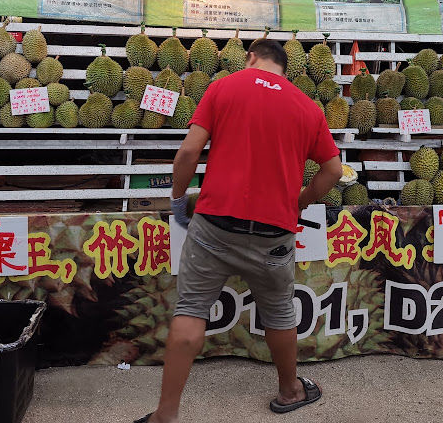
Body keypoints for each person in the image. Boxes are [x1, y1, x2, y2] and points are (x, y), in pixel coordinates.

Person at [135, 38, 342, 423]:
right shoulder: (307, 107)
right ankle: (289, 391)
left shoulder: (224, 86)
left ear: (251, 58)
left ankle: (165, 414)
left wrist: (178, 199)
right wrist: (300, 201)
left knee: (192, 309)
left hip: (213, 225)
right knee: (279, 313)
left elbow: (187, 153)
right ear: (285, 67)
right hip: (273, 233)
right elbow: (333, 170)